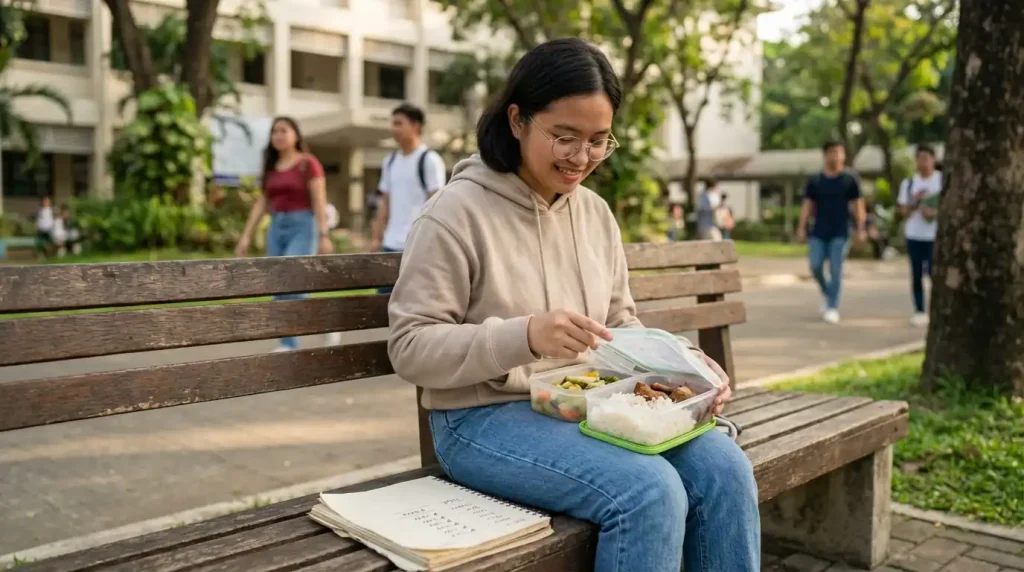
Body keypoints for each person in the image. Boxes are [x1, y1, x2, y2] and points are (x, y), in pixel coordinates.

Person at [387, 38, 759, 572]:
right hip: (480, 420)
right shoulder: (453, 214)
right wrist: (525, 336)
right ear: (517, 120)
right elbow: (410, 347)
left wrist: (683, 372)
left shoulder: (595, 214)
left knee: (724, 467)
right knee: (649, 491)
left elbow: (619, 326)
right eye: (564, 137)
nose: (581, 157)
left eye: (599, 141)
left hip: (587, 407)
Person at [235, 116, 335, 352]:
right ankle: (288, 342)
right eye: (274, 132)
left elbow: (319, 201)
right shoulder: (271, 166)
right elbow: (262, 203)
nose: (278, 135)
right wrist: (246, 236)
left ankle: (321, 323)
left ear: (296, 135)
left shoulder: (308, 163)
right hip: (276, 226)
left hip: (303, 225)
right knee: (276, 285)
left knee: (293, 282)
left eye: (284, 130)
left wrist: (323, 234)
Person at [369, 103, 447, 287]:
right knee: (383, 304)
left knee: (414, 303)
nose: (393, 129)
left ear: (415, 126)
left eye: (398, 123)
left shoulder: (429, 160)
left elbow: (438, 204)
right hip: (390, 245)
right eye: (392, 124)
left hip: (417, 246)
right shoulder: (390, 161)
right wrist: (376, 238)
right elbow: (385, 202)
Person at [797, 140, 867, 324]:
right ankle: (828, 294)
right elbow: (807, 205)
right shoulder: (816, 180)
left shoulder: (849, 179)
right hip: (818, 231)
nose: (836, 156)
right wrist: (801, 227)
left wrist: (861, 229)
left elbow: (858, 205)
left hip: (841, 231)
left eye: (839, 152)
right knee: (815, 266)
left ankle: (832, 307)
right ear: (825, 155)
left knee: (836, 270)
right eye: (832, 152)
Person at [897, 144, 942, 327]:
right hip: (914, 234)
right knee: (916, 274)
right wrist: (916, 204)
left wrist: (935, 212)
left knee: (934, 272)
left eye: (926, 158)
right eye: (919, 158)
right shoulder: (908, 183)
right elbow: (902, 210)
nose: (923, 162)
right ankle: (919, 310)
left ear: (933, 159)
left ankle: (937, 310)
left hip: (935, 235)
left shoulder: (942, 180)